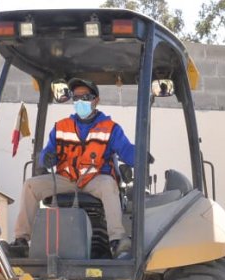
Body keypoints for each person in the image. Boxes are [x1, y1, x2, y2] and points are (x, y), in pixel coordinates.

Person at [13, 78, 136, 256]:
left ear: (96, 100)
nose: (80, 102)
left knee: (109, 184)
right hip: (67, 179)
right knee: (31, 186)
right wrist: (46, 158)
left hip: (94, 179)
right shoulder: (61, 127)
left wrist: (140, 156)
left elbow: (126, 150)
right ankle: (22, 240)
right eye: (76, 98)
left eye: (85, 97)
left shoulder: (110, 128)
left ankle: (116, 240)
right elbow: (47, 153)